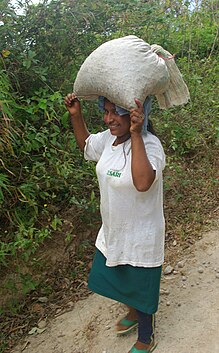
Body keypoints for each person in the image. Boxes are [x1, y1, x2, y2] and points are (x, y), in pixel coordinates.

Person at [64, 92, 166, 353]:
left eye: (114, 112)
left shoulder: (150, 144)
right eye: (105, 111)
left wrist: (135, 133)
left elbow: (143, 183)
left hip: (142, 232)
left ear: (132, 114)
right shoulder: (108, 140)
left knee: (141, 286)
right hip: (113, 228)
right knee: (117, 278)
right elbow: (86, 144)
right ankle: (132, 313)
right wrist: (76, 115)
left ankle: (146, 337)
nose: (108, 118)